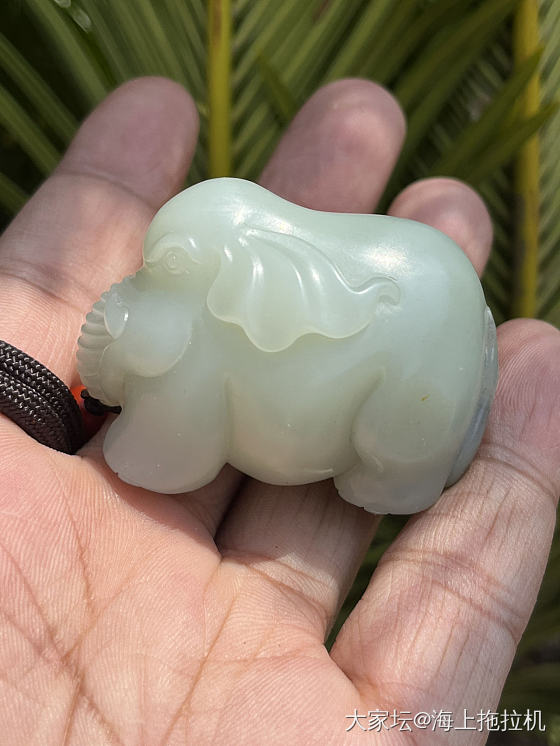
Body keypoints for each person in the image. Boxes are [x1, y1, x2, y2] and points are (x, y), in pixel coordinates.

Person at [0, 76, 558, 745]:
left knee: (390, 450)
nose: (142, 287)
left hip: (413, 371)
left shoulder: (220, 334)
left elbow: (164, 458)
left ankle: (400, 467)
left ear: (251, 283)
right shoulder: (225, 295)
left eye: (167, 269)